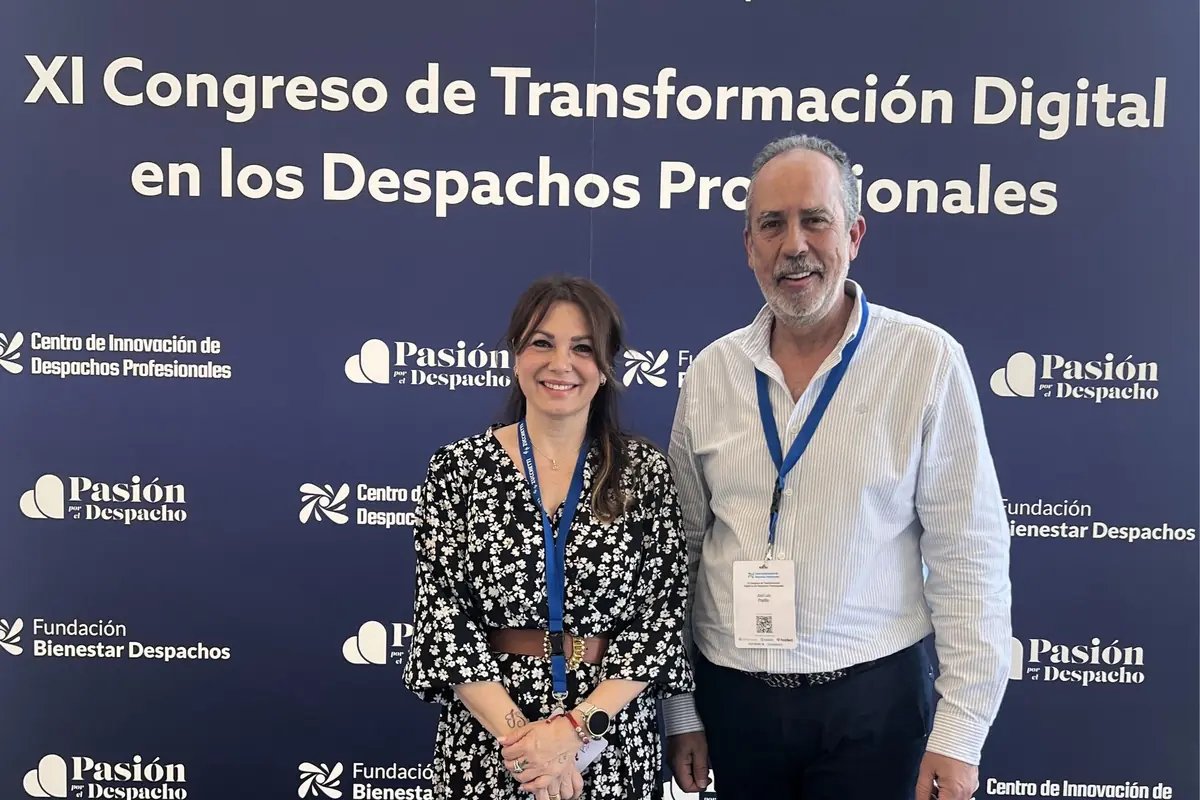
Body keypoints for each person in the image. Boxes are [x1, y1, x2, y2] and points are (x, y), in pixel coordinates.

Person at [662, 134, 1012, 800]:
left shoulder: (925, 360)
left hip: (873, 709)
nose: (794, 245)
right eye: (772, 224)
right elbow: (679, 554)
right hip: (734, 705)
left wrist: (961, 733)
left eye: (815, 220)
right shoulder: (711, 372)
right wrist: (682, 711)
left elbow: (969, 554)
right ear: (749, 246)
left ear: (853, 234)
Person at [402, 275, 695, 800]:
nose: (561, 364)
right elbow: (444, 620)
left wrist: (572, 734)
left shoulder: (644, 472)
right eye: (542, 343)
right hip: (490, 741)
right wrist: (528, 746)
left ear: (605, 368)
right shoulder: (457, 470)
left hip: (611, 737)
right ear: (516, 356)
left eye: (582, 348)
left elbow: (659, 619)